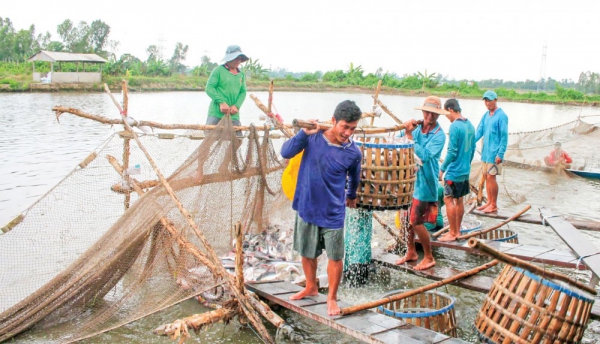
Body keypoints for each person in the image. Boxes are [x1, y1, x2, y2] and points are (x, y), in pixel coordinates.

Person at [280, 100, 362, 316]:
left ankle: (332, 298)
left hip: (333, 211)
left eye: (353, 128)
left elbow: (354, 178)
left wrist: (351, 196)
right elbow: (285, 152)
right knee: (307, 252)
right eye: (345, 126)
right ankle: (310, 285)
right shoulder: (313, 137)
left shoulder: (353, 152)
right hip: (307, 205)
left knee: (335, 257)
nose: (348, 133)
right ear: (333, 121)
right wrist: (303, 133)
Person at [395, 96, 447, 271]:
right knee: (405, 219)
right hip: (410, 182)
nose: (429, 117)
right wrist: (405, 130)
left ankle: (429, 257)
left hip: (426, 183)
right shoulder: (417, 129)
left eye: (433, 114)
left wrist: (409, 136)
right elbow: (398, 139)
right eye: (427, 112)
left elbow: (424, 156)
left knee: (417, 222)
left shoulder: (439, 135)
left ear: (438, 115)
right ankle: (411, 252)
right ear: (423, 112)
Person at [438, 99, 476, 242]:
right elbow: (472, 150)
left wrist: (442, 169)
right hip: (465, 171)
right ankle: (457, 231)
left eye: (446, 113)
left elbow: (452, 152)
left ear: (450, 110)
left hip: (454, 172)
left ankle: (452, 233)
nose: (446, 117)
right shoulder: (470, 125)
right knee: (459, 200)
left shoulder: (455, 127)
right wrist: (467, 164)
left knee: (448, 199)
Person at [475, 90, 508, 213]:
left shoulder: (501, 116)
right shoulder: (486, 115)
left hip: (495, 153)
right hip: (486, 153)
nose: (487, 103)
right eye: (486, 100)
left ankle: (493, 204)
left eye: (490, 100)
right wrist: (468, 142)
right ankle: (489, 202)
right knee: (486, 176)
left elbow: (504, 137)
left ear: (495, 100)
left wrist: (501, 153)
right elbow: (479, 131)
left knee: (491, 177)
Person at [205, 45, 249, 137]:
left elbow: (243, 92)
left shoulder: (241, 74)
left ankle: (229, 152)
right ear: (229, 58)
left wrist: (236, 106)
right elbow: (209, 88)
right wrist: (221, 102)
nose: (238, 61)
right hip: (216, 113)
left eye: (240, 59)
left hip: (233, 114)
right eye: (235, 58)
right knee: (208, 140)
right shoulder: (218, 71)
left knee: (238, 139)